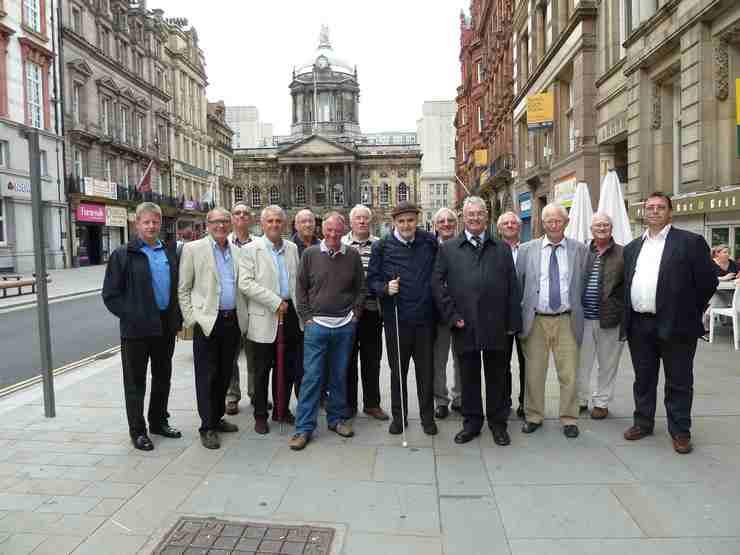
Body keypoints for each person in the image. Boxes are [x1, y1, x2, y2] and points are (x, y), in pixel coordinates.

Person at [621, 192, 717, 454]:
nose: (654, 211)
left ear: (670, 212)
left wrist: (689, 310)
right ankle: (643, 422)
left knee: (679, 380)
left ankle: (680, 430)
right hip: (640, 325)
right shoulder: (632, 248)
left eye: (660, 207)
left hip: (677, 325)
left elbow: (708, 281)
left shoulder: (690, 242)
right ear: (644, 212)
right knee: (643, 378)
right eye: (649, 207)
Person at [433, 197, 521, 446]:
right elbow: (438, 286)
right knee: (468, 377)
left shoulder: (501, 248)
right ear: (463, 217)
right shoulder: (449, 249)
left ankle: (498, 423)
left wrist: (512, 322)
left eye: (479, 214)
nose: (474, 218)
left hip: (497, 325)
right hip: (465, 324)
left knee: (498, 377)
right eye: (470, 214)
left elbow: (513, 288)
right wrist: (452, 317)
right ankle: (472, 423)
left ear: (486, 216)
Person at [102, 202, 182, 451]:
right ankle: (137, 431)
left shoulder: (168, 252)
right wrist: (132, 315)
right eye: (146, 222)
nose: (151, 226)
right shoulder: (123, 254)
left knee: (162, 377)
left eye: (155, 222)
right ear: (137, 224)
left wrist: (176, 319)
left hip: (164, 328)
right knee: (135, 382)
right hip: (136, 331)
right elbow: (110, 295)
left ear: (160, 224)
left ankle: (158, 421)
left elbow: (176, 288)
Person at [290, 212, 366, 450]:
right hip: (316, 327)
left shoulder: (352, 255)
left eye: (338, 231)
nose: (333, 235)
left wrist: (355, 315)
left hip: (344, 326)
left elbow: (360, 288)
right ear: (324, 230)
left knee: (339, 375)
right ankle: (303, 429)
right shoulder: (311, 254)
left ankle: (337, 419)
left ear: (344, 232)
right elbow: (300, 288)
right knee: (311, 378)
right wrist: (307, 318)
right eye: (329, 230)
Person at [516, 203, 588, 438]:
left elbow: (584, 283)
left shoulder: (579, 250)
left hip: (567, 319)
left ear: (565, 223)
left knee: (569, 373)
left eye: (558, 220)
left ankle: (569, 418)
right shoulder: (527, 250)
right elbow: (519, 284)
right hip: (536, 319)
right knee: (534, 372)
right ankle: (534, 415)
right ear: (542, 223)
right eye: (548, 221)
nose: (553, 225)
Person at [178, 207, 248, 449]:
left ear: (230, 225)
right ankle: (206, 426)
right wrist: (191, 319)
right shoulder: (193, 249)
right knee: (206, 376)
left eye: (224, 221)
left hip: (232, 320)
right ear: (207, 224)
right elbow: (183, 288)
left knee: (224, 373)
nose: (220, 225)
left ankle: (217, 418)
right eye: (215, 221)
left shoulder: (237, 251)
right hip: (207, 322)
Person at [367, 201, 439, 436]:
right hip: (396, 319)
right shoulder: (382, 246)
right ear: (394, 222)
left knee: (425, 372)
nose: (406, 225)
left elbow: (439, 274)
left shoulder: (429, 241)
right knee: (398, 371)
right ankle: (399, 418)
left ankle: (428, 418)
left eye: (410, 220)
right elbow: (372, 281)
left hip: (425, 320)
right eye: (401, 221)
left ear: (416, 220)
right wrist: (385, 288)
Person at [239, 205, 302, 434]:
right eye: (270, 221)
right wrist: (274, 301)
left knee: (286, 367)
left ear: (284, 224)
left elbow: (296, 282)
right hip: (265, 315)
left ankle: (282, 410)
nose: (275, 224)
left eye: (278, 221)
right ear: (262, 224)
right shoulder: (250, 249)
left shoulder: (293, 248)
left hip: (290, 315)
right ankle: (260, 415)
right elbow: (245, 283)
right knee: (262, 369)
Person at [575, 213, 625, 419]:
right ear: (591, 230)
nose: (602, 228)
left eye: (605, 225)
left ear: (611, 228)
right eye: (598, 226)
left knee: (608, 363)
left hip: (610, 319)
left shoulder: (624, 253)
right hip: (583, 318)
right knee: (581, 363)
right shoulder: (582, 252)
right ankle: (580, 399)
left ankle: (602, 402)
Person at [342, 204, 389, 421]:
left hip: (372, 310)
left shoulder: (380, 245)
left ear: (371, 221)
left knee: (372, 359)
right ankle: (348, 404)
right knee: (347, 360)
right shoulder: (341, 244)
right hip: (347, 311)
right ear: (350, 222)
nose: (362, 221)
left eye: (365, 218)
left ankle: (372, 404)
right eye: (358, 218)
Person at [430, 207, 462, 418]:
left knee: (461, 358)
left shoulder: (464, 245)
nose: (446, 224)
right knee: (438, 359)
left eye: (450, 220)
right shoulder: (428, 247)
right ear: (435, 226)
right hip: (437, 312)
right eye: (441, 221)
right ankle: (440, 400)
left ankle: (460, 397)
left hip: (461, 312)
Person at [225, 202, 256, 416]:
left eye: (246, 213)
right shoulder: (222, 244)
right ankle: (231, 396)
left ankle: (256, 393)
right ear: (231, 218)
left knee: (256, 356)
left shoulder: (260, 243)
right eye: (237, 213)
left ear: (251, 219)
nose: (242, 216)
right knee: (230, 356)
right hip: (231, 308)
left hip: (255, 308)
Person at [496, 210, 527, 419]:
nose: (509, 226)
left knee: (528, 363)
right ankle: (504, 402)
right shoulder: (493, 250)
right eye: (505, 223)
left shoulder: (530, 250)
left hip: (526, 316)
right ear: (499, 229)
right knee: (501, 363)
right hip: (500, 317)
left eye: (513, 223)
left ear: (520, 227)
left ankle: (526, 403)